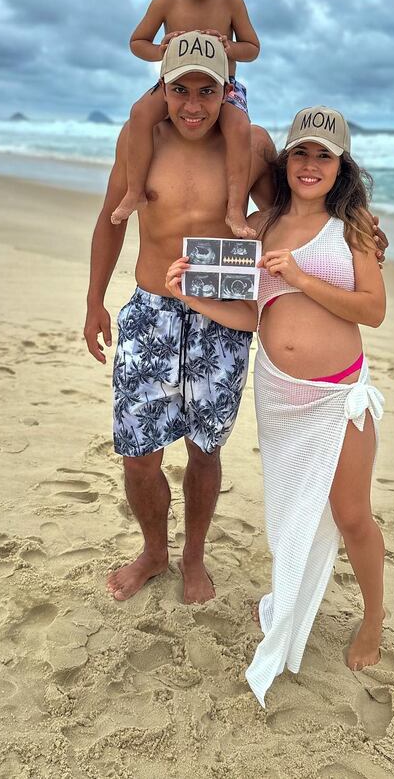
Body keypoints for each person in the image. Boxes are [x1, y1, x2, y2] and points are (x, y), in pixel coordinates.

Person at [165, 107, 386, 706]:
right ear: (286, 160)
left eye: (324, 155)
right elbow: (248, 314)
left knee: (351, 512)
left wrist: (303, 278)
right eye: (301, 153)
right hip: (279, 394)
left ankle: (373, 615)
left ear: (341, 166)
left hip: (338, 393)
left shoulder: (356, 225)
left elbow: (372, 309)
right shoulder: (260, 229)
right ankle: (291, 594)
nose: (310, 165)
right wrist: (193, 295)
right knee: (288, 512)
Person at [84, 32, 276, 605]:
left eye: (207, 90)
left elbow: (295, 205)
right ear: (163, 89)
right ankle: (153, 550)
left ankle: (193, 557)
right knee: (139, 450)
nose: (193, 104)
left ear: (227, 92)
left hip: (220, 315)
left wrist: (360, 228)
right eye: (180, 89)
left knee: (205, 448)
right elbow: (111, 220)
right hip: (151, 312)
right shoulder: (143, 139)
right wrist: (94, 299)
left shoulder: (252, 145)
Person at [109, 0, 260, 239]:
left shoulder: (231, 1)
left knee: (239, 126)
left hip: (223, 86)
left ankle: (235, 209)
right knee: (139, 112)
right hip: (174, 84)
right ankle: (134, 192)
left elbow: (252, 48)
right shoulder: (165, 1)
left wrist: (228, 47)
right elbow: (137, 42)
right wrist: (160, 50)